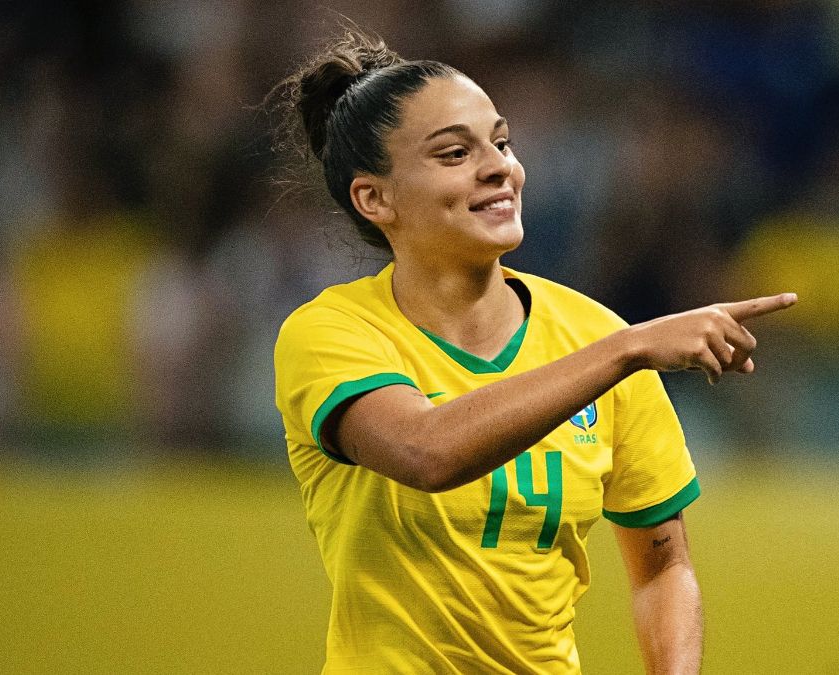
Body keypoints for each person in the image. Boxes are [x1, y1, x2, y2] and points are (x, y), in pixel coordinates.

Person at [272, 30, 796, 674]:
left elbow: (663, 567)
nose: (499, 166)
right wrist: (626, 349)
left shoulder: (593, 334)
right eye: (454, 153)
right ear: (374, 197)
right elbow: (425, 452)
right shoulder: (331, 332)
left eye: (501, 141)